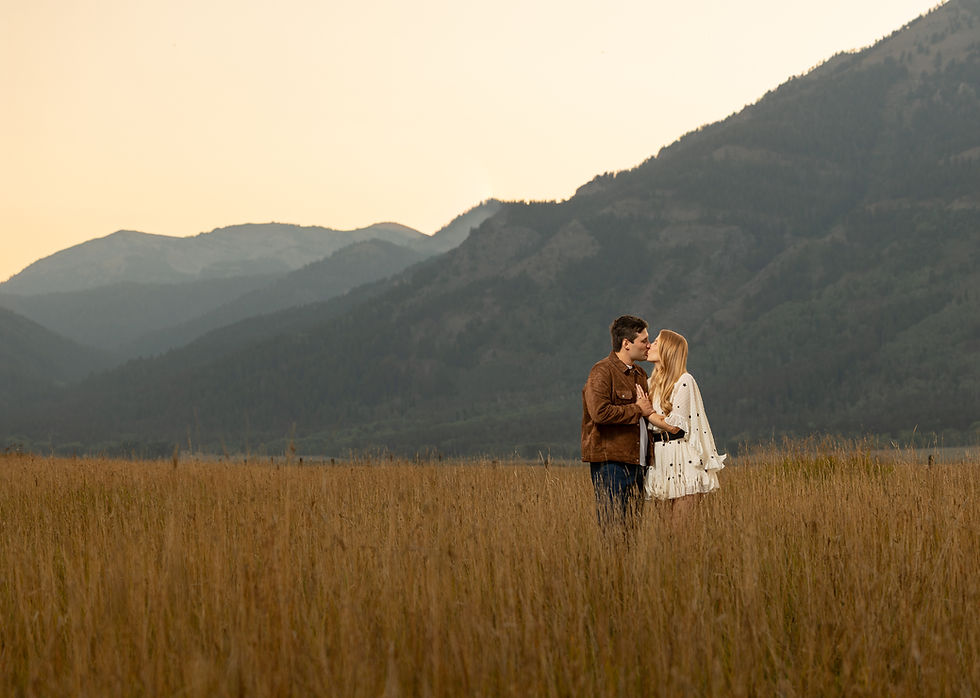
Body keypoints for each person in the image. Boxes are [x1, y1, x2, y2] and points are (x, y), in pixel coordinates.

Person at [581, 315, 659, 531]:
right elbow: (599, 413)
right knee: (613, 529)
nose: (648, 345)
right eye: (643, 340)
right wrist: (638, 409)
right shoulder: (602, 371)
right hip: (612, 465)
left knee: (632, 531)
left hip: (638, 464)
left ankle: (626, 566)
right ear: (626, 343)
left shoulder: (640, 374)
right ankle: (611, 566)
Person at [641, 329, 726, 519]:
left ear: (667, 350)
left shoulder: (684, 381)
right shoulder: (649, 384)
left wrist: (648, 412)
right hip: (658, 460)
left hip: (682, 459)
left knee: (681, 531)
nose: (649, 345)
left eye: (655, 342)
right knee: (665, 535)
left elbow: (675, 426)